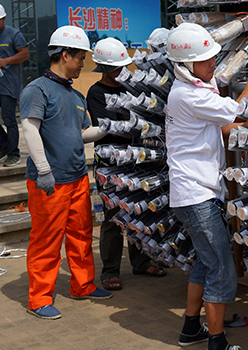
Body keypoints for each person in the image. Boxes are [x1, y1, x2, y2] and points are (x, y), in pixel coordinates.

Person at [165, 23, 248, 350]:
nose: (213, 64)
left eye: (214, 58)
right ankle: (217, 342)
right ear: (185, 65)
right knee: (222, 269)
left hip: (194, 192)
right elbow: (234, 108)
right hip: (196, 195)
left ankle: (190, 329)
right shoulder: (189, 95)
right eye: (206, 60)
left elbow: (223, 124)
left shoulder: (190, 91)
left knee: (205, 263)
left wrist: (245, 126)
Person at [21, 25, 113, 320]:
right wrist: (45, 170)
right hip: (50, 182)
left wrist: (111, 128)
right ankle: (39, 298)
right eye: (81, 58)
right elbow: (30, 129)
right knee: (46, 241)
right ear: (65, 54)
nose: (83, 64)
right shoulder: (37, 90)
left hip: (76, 178)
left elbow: (81, 133)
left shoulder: (74, 95)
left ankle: (83, 285)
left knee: (81, 235)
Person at [87, 38, 166, 292]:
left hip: (137, 160)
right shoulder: (96, 93)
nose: (122, 72)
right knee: (112, 218)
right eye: (117, 67)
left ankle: (141, 261)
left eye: (124, 66)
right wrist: (138, 126)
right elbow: (108, 127)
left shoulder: (130, 89)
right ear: (104, 67)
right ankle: (110, 270)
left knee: (138, 213)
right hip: (111, 166)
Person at [0, 4, 29, 167]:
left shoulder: (13, 34)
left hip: (9, 85)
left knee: (9, 119)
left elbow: (25, 54)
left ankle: (13, 153)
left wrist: (6, 60)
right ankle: (4, 146)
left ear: (3, 19)